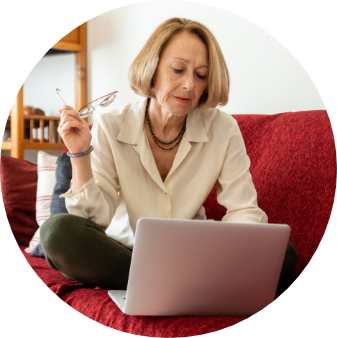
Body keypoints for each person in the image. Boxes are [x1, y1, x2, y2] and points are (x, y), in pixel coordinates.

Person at [40, 17, 297, 290]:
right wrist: (80, 154)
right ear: (151, 69)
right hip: (124, 253)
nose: (189, 85)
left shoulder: (223, 128)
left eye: (200, 75)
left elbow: (243, 210)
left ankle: (158, 285)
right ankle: (184, 286)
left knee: (283, 254)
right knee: (58, 233)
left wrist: (240, 245)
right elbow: (94, 219)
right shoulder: (110, 125)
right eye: (178, 70)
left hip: (193, 254)